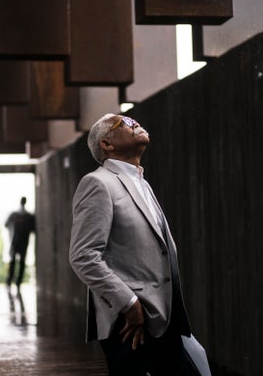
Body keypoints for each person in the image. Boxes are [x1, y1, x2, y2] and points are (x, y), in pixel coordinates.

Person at [69, 113, 199, 376]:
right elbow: (83, 256)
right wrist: (128, 303)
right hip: (130, 323)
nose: (136, 123)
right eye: (125, 123)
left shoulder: (142, 183)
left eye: (135, 120)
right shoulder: (97, 183)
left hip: (164, 317)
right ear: (106, 144)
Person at [5, 196, 36, 292]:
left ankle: (10, 281)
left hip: (15, 242)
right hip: (23, 242)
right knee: (20, 263)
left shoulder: (14, 215)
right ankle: (17, 282)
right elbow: (33, 229)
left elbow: (6, 224)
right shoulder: (28, 216)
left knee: (14, 262)